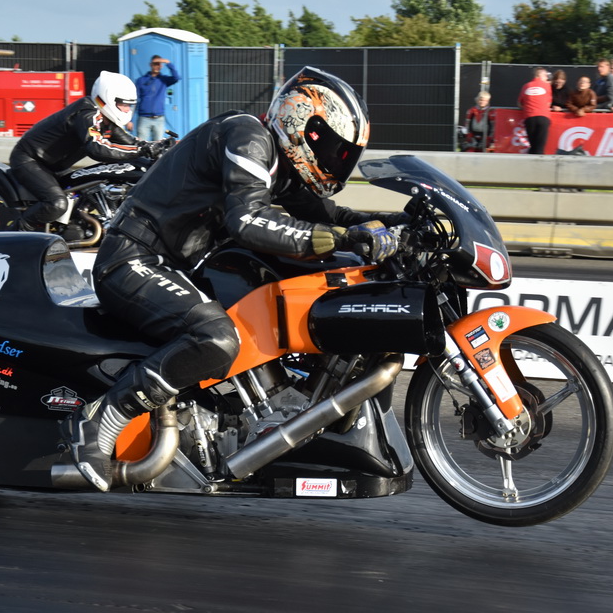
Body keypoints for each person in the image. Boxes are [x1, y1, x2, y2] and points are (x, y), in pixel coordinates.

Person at [65, 66, 400, 491]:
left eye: (345, 154)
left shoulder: (280, 164)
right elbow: (248, 220)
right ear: (302, 123)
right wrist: (340, 237)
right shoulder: (247, 136)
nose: (338, 161)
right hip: (133, 257)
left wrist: (396, 222)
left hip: (178, 267)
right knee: (217, 338)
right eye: (334, 149)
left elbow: (330, 216)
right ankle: (100, 420)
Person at [7, 71, 155, 231]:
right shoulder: (87, 114)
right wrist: (141, 150)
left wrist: (161, 147)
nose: (126, 110)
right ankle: (16, 233)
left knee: (87, 191)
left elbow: (133, 143)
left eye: (129, 105)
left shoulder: (107, 121)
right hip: (30, 159)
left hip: (54, 166)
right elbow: (97, 149)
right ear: (106, 99)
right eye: (123, 104)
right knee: (57, 203)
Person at [135, 55, 180, 141]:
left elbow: (176, 78)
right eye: (155, 64)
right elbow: (135, 99)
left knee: (158, 145)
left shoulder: (163, 80)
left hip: (159, 119)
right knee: (141, 144)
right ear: (151, 64)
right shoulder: (141, 80)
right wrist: (129, 120)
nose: (157, 66)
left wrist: (168, 62)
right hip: (144, 118)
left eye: (159, 64)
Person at [518, 67, 552, 155]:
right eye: (545, 75)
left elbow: (520, 103)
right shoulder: (547, 86)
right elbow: (549, 102)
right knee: (540, 147)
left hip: (530, 117)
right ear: (540, 75)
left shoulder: (526, 86)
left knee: (533, 146)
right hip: (543, 116)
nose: (546, 78)